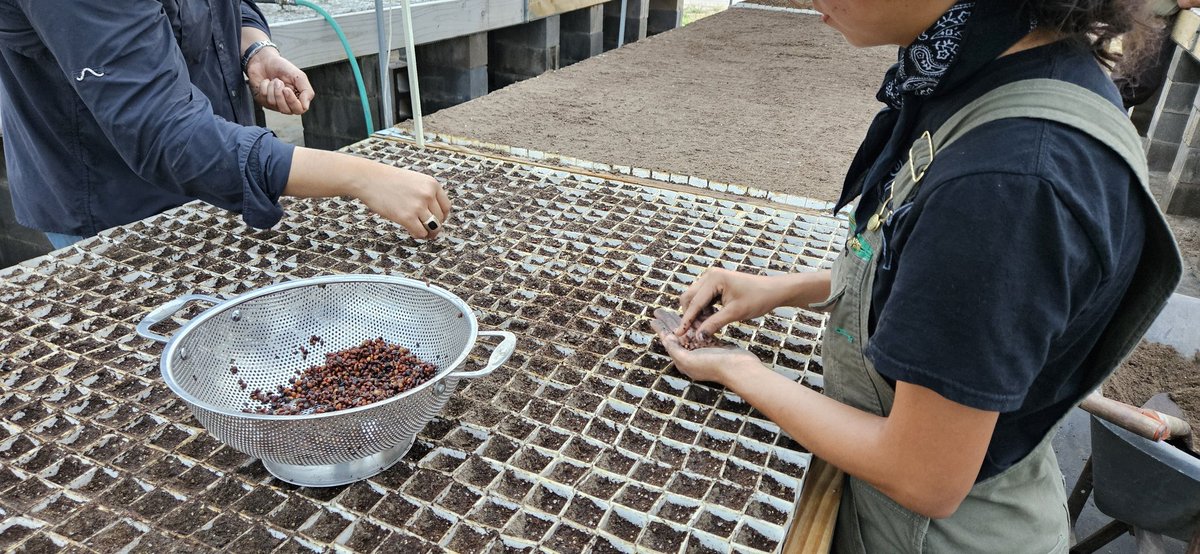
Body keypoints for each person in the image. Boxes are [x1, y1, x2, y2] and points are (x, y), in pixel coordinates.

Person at [650, 0, 1182, 551]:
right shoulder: (1008, 71)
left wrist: (742, 371)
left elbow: (922, 476)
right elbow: (937, 279)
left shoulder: (1010, 182)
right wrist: (784, 288)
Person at [0, 0, 449, 250]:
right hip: (116, 203)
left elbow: (225, 8)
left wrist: (255, 47)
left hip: (213, 177)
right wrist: (360, 176)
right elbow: (163, 132)